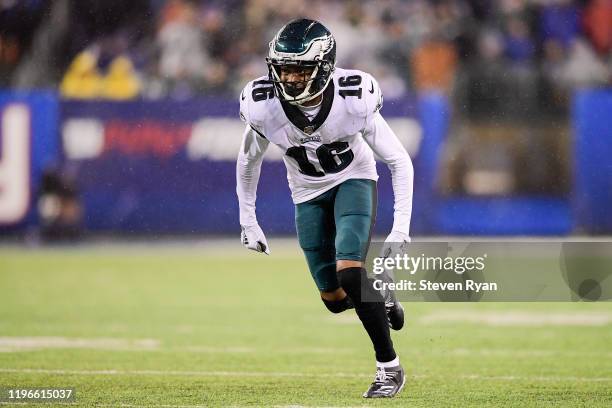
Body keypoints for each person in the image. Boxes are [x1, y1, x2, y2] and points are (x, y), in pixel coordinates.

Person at [236, 18, 413, 398]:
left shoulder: (354, 96)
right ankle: (379, 294)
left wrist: (400, 229)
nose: (289, 79)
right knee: (334, 301)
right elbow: (248, 161)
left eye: (299, 70)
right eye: (283, 69)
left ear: (324, 67)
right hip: (306, 192)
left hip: (354, 179)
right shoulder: (263, 105)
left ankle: (389, 367)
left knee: (350, 271)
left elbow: (398, 160)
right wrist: (248, 219)